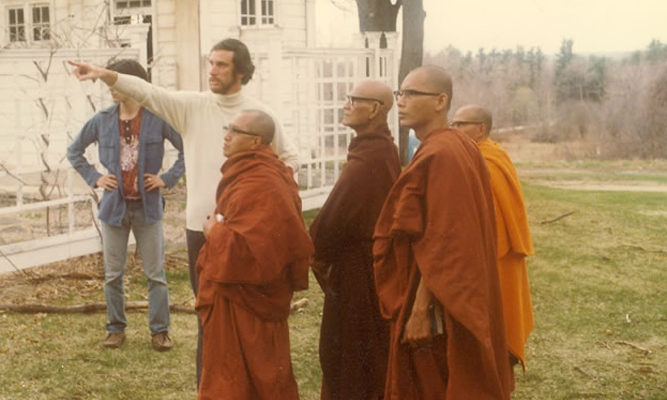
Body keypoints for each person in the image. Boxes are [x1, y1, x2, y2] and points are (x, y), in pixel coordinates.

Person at [68, 38, 299, 382]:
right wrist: (105, 75)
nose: (213, 70)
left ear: (241, 70)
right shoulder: (192, 107)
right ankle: (208, 387)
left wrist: (265, 205)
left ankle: (246, 385)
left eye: (221, 64)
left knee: (246, 319)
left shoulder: (259, 115)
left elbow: (289, 161)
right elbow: (149, 93)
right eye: (211, 63)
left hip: (245, 234)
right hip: (199, 232)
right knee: (208, 313)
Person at [373, 66, 514, 399]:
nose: (401, 102)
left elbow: (444, 244)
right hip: (442, 290)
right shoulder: (450, 145)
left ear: (440, 101)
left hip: (436, 299)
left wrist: (421, 311)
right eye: (399, 93)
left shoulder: (444, 153)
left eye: (410, 94)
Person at [67, 59, 184, 351]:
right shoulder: (103, 119)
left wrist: (167, 179)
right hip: (113, 209)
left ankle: (160, 331)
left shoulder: (157, 118)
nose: (110, 88)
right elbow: (74, 151)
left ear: (133, 84)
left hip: (148, 208)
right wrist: (95, 177)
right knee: (113, 274)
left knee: (155, 274)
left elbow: (188, 149)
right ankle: (115, 328)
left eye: (114, 82)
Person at [194, 109, 313, 400]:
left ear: (256, 142)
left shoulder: (264, 182)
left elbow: (258, 251)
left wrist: (215, 233)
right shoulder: (252, 172)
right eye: (227, 128)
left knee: (253, 376)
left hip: (249, 295)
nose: (227, 136)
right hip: (236, 292)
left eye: (235, 131)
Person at [310, 80, 400, 400]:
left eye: (353, 100)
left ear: (374, 109)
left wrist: (316, 248)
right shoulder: (381, 148)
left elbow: (331, 221)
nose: (345, 105)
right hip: (370, 268)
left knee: (350, 359)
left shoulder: (369, 158)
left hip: (358, 275)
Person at [451, 104, 535, 370]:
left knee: (498, 318)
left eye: (460, 124)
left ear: (481, 129)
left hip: (497, 253)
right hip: (493, 253)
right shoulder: (480, 155)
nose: (454, 129)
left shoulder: (489, 160)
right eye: (453, 123)